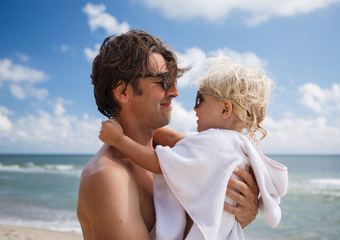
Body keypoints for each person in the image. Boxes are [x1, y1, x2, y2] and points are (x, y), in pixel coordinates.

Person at [77, 30, 259, 240]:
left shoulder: (176, 154)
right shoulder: (108, 178)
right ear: (123, 92)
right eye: (163, 81)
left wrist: (243, 213)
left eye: (173, 81)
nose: (174, 91)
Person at [99, 56, 288, 239]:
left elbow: (159, 163)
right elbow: (180, 141)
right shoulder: (237, 145)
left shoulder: (214, 144)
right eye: (162, 82)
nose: (194, 108)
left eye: (200, 100)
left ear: (225, 109)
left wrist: (119, 140)